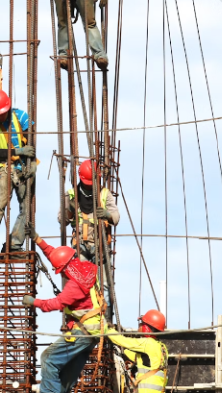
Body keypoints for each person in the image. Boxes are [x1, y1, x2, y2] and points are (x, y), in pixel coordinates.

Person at [24, 235, 104, 393]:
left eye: (61, 271)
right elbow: (58, 256)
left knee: (48, 359)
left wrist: (34, 302)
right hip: (93, 333)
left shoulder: (74, 286)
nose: (60, 274)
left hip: (82, 332)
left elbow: (55, 304)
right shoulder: (87, 268)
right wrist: (37, 239)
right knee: (67, 376)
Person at [0, 89, 36, 256]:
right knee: (0, 204)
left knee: (28, 209)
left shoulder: (21, 117)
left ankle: (14, 245)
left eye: (3, 113)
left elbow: (31, 142)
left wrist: (32, 162)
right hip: (3, 168)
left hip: (23, 169)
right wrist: (19, 151)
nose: (1, 116)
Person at [59, 159, 120, 263]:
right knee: (83, 275)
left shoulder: (104, 194)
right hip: (80, 246)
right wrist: (70, 211)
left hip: (100, 246)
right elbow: (62, 220)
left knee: (104, 278)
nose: (90, 186)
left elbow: (116, 218)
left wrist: (107, 215)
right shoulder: (71, 195)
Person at [111, 311, 169, 393]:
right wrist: (123, 350)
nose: (140, 325)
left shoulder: (147, 343)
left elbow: (123, 341)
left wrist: (107, 330)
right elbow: (140, 359)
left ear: (147, 327)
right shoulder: (162, 347)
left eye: (142, 323)